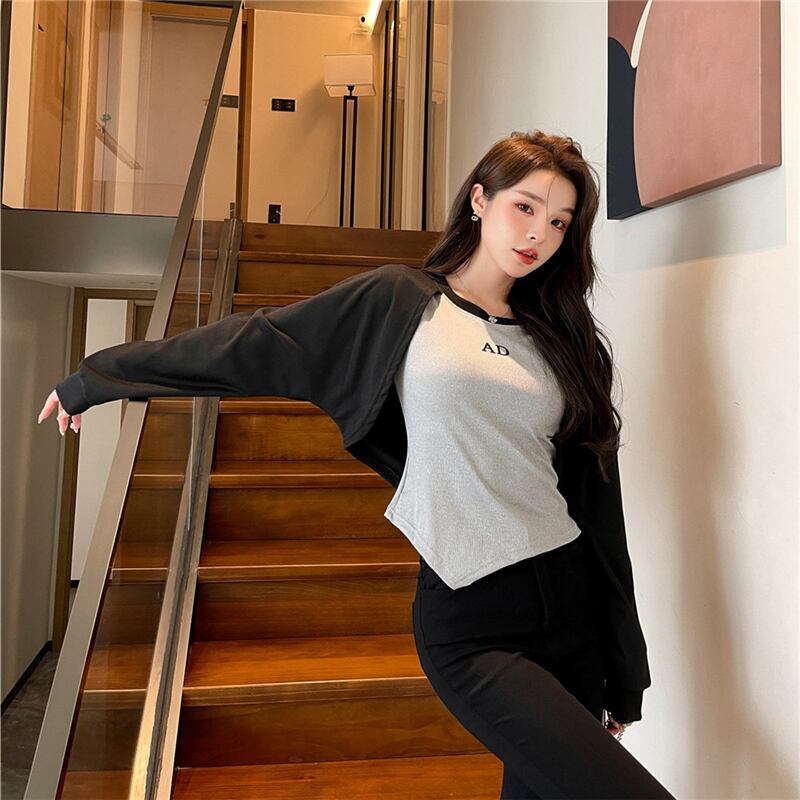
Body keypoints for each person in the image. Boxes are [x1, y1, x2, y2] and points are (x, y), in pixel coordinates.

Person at [39, 130, 675, 799]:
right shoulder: (399, 301)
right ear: (480, 200)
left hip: (572, 607)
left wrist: (624, 667)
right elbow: (255, 345)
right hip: (474, 616)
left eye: (560, 222)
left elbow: (599, 508)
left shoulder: (565, 339)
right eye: (525, 207)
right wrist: (101, 376)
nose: (539, 234)